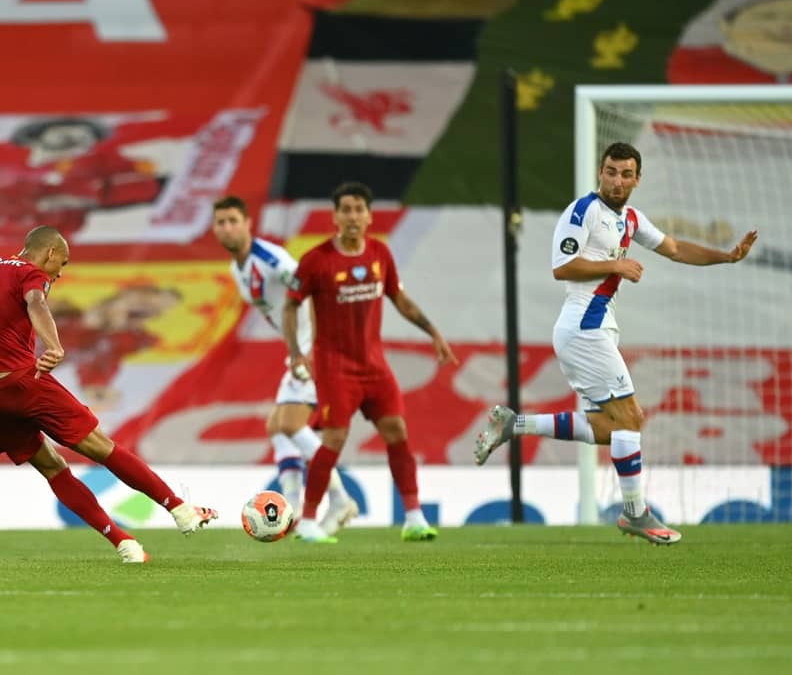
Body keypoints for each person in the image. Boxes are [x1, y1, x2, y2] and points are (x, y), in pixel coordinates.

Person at [474, 142, 758, 545]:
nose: (617, 181)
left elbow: (676, 249)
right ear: (600, 172)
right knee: (631, 419)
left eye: (626, 174)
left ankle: (513, 424)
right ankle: (635, 514)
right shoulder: (583, 211)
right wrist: (616, 264)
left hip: (597, 326)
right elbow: (562, 267)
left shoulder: (631, 218)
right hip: (583, 326)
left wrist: (726, 257)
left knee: (610, 428)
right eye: (611, 172)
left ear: (637, 179)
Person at [0, 225, 218, 562]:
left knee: (52, 467)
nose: (60, 273)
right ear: (50, 252)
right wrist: (53, 345)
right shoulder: (33, 274)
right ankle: (180, 509)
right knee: (101, 447)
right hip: (19, 382)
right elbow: (36, 302)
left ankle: (124, 543)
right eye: (62, 263)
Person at [283, 181, 458, 543]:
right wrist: (296, 352)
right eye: (345, 209)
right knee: (334, 437)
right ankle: (309, 519)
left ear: (369, 216)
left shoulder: (380, 253)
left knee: (397, 430)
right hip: (334, 366)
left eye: (359, 209)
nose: (352, 216)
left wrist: (433, 332)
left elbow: (400, 299)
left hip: (374, 364)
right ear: (335, 217)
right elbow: (290, 305)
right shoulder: (316, 260)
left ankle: (414, 518)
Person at [211, 195, 358, 536]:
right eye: (221, 223)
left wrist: (314, 348)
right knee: (277, 426)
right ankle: (291, 506)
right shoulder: (237, 269)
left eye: (233, 221)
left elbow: (313, 288)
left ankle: (340, 498)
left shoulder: (271, 259)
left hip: (316, 346)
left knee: (290, 423)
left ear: (248, 224)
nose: (227, 228)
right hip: (299, 348)